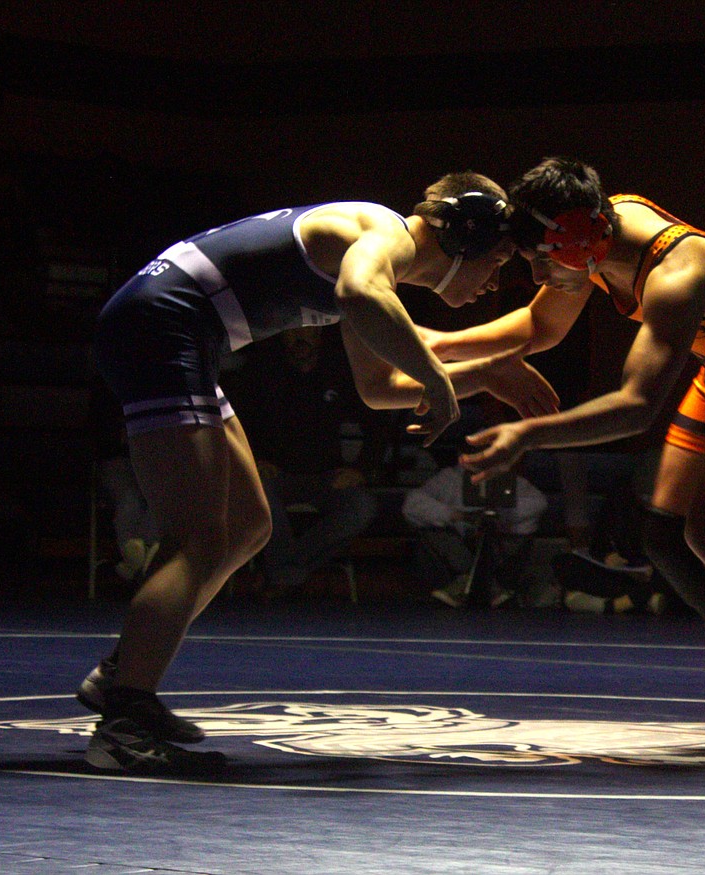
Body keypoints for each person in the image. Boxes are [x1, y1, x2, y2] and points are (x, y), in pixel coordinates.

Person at [78, 172, 560, 774]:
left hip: (179, 335)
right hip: (160, 329)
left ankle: (125, 674)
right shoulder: (380, 231)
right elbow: (365, 300)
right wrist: (446, 381)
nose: (494, 280)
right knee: (199, 536)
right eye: (495, 261)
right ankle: (124, 720)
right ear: (463, 240)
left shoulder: (372, 272)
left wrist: (483, 373)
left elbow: (381, 388)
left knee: (249, 525)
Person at [427, 157, 705, 759]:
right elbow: (539, 327)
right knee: (664, 536)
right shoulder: (591, 235)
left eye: (538, 260)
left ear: (580, 242)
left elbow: (636, 407)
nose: (533, 272)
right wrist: (432, 346)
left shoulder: (679, 274)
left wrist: (528, 436)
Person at [225, 323, 381, 598]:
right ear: (282, 336)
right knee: (257, 495)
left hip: (328, 476)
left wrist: (360, 469)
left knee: (362, 507)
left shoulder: (340, 371)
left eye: (308, 331)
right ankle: (290, 573)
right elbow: (237, 425)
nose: (300, 338)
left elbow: (377, 424)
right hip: (276, 473)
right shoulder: (263, 372)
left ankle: (284, 572)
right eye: (292, 332)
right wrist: (256, 461)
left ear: (319, 334)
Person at [402, 459, 548, 608]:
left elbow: (539, 503)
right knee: (432, 528)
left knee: (515, 532)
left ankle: (492, 584)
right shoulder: (449, 478)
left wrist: (499, 515)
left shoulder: (509, 479)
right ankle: (464, 580)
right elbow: (412, 505)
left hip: (499, 557)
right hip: (459, 556)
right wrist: (457, 516)